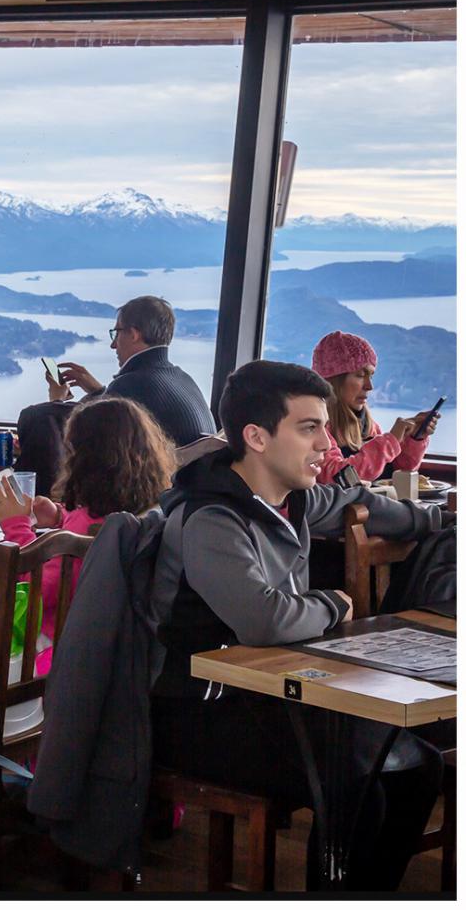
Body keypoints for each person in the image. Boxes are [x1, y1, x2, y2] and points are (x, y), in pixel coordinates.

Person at [150, 359, 445, 890]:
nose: (324, 445)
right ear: (256, 437)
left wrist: (436, 520)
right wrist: (333, 602)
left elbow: (357, 502)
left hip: (267, 699)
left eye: (325, 428)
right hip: (199, 716)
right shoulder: (211, 518)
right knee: (358, 780)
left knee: (418, 766)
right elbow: (265, 619)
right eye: (310, 428)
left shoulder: (291, 501)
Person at [0, 396, 174, 674]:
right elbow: (87, 531)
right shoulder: (143, 513)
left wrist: (16, 524)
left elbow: (36, 591)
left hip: (54, 651)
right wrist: (58, 517)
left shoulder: (82, 527)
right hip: (116, 654)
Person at [54, 295, 215, 447]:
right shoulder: (183, 378)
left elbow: (80, 440)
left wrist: (56, 404)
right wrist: (99, 393)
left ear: (133, 334)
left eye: (116, 333)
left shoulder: (131, 384)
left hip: (168, 477)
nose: (113, 345)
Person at [311, 330, 436, 484]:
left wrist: (415, 438)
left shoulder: (368, 426)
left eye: (371, 376)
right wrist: (390, 441)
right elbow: (338, 477)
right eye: (360, 375)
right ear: (333, 381)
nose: (370, 386)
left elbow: (396, 473)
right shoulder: (316, 428)